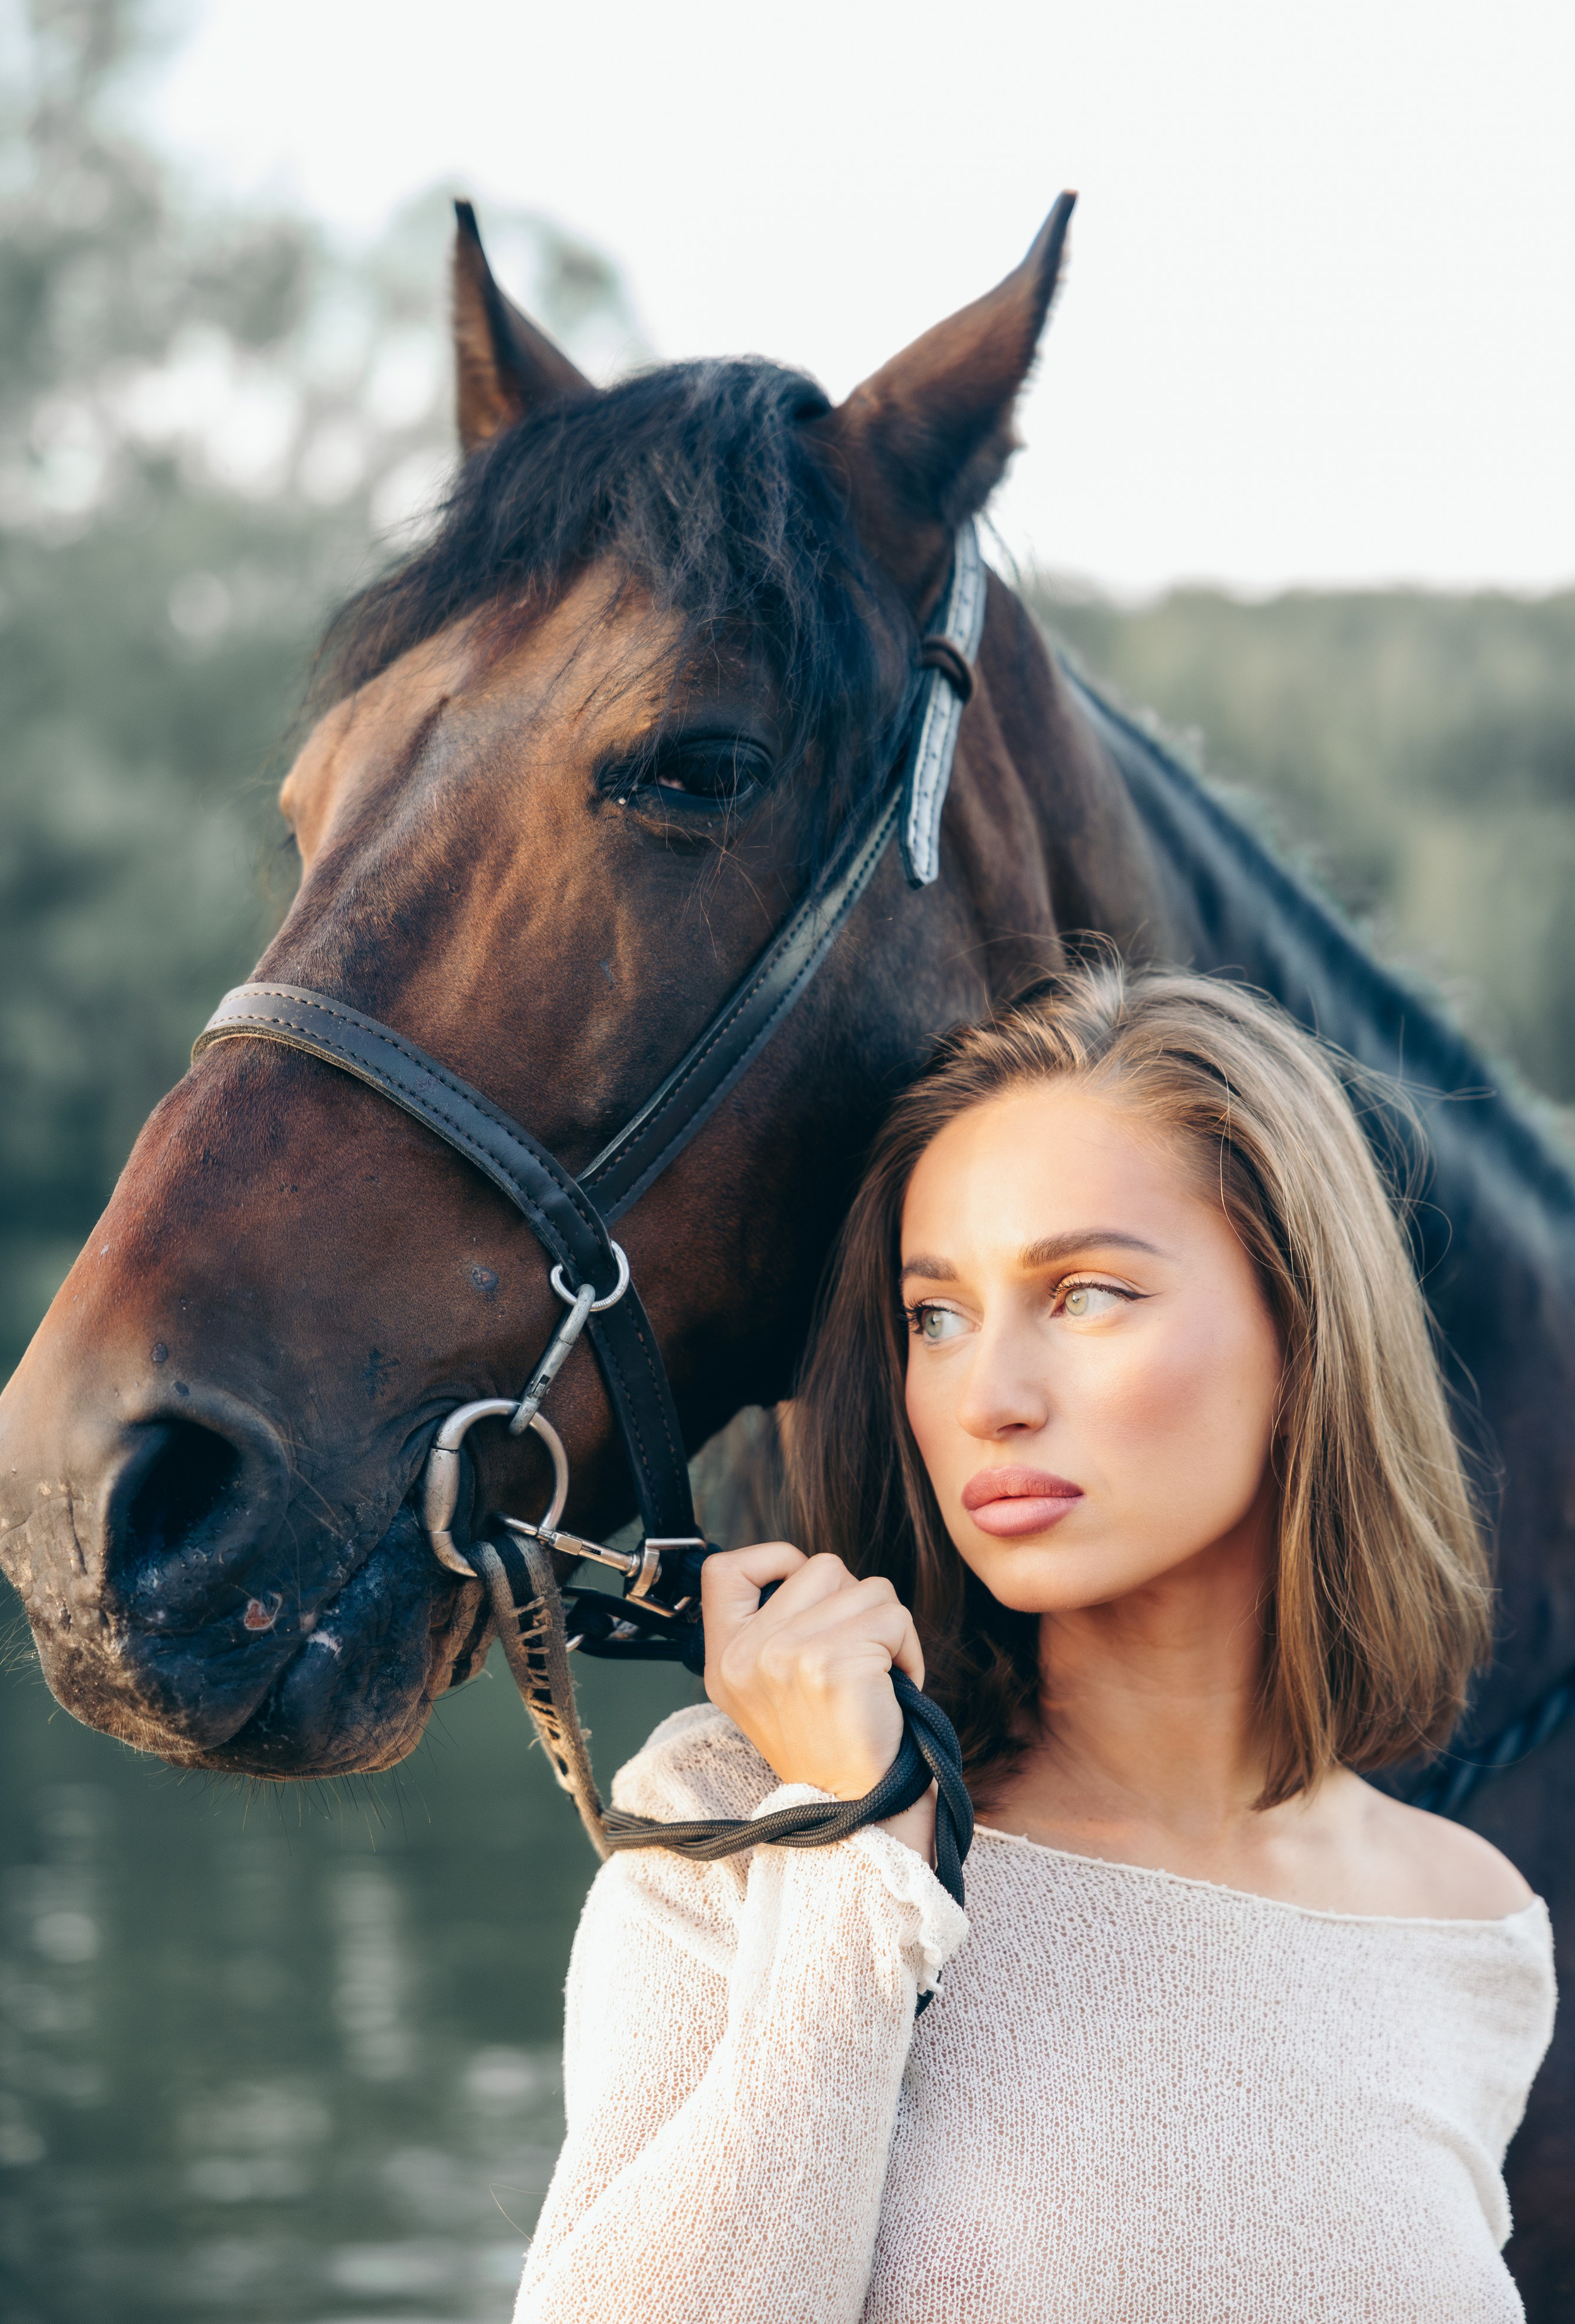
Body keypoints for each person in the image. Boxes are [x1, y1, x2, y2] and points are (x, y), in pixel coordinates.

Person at [513, 964, 1555, 2323]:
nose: (986, 1398)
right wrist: (856, 1844)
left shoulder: (1465, 1924)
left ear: (1302, 1329)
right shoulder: (740, 1813)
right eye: (935, 1318)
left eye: (1084, 1294)